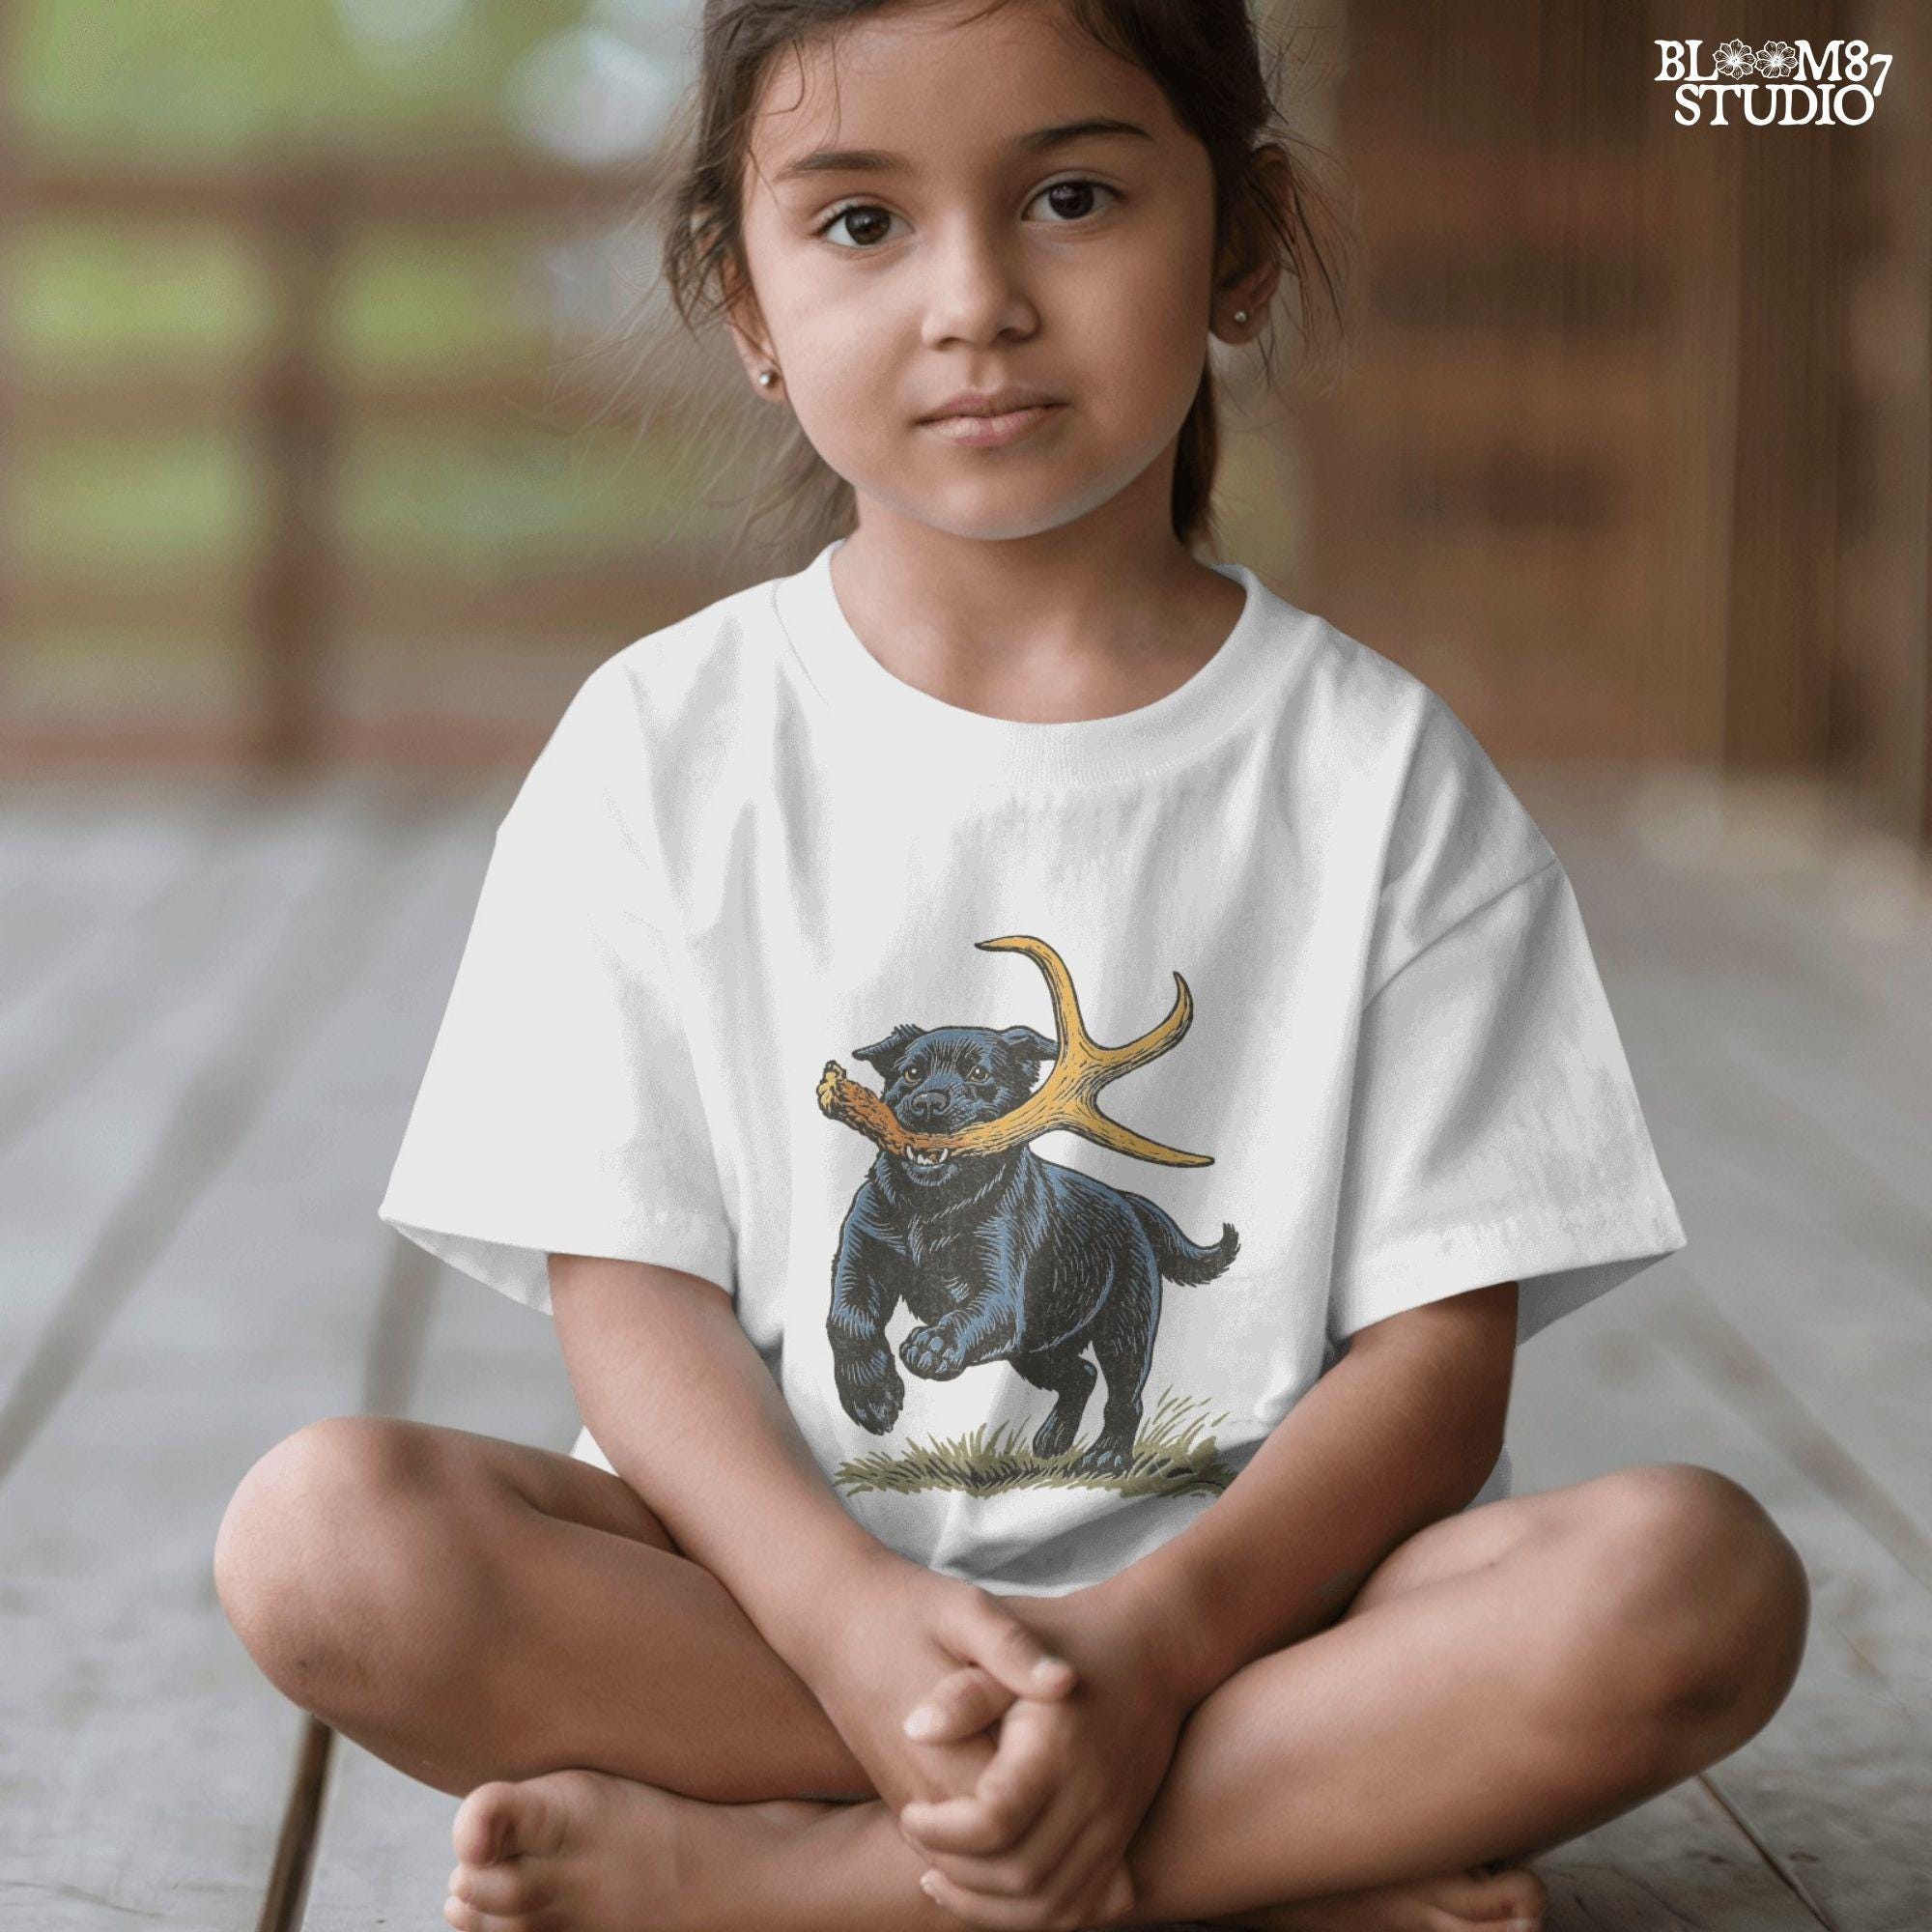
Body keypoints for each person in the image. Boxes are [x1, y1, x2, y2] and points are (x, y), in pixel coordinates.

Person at [212, 4, 1812, 1930]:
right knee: (321, 1543)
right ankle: (1253, 1860)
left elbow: (1439, 1365)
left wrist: (1143, 1653)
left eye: (1069, 196)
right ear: (743, 296)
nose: (974, 299)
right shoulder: (662, 746)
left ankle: (802, 1893)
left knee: (1689, 1585)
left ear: (1235, 239)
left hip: (1251, 1630)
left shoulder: (1379, 777)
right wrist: (854, 1620)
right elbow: (624, 1293)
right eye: (863, 224)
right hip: (769, 1619)